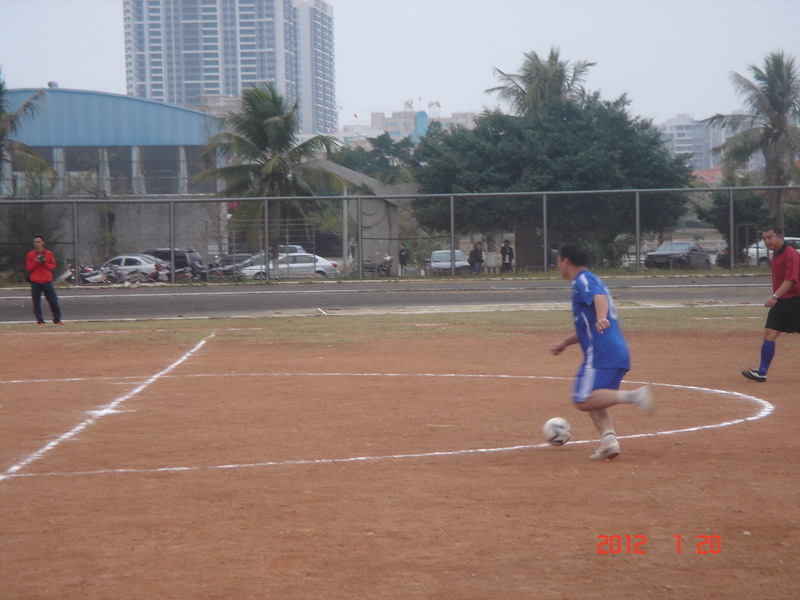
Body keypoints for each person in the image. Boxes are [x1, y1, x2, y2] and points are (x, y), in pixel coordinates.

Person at [549, 243, 652, 460]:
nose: (557, 266)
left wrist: (602, 317)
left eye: (558, 261)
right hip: (614, 351)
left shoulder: (583, 279)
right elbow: (587, 328)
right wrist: (565, 343)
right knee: (597, 399)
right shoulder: (589, 280)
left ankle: (633, 396)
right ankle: (609, 441)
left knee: (583, 399)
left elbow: (599, 298)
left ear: (565, 261)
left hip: (601, 352)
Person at [741, 225, 800, 382]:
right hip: (782, 302)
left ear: (780, 237)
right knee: (769, 333)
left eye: (770, 237)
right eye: (764, 238)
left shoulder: (790, 254)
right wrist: (778, 298)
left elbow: (790, 280)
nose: (767, 241)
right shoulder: (776, 255)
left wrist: (775, 296)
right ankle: (762, 372)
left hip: (796, 301)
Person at [26, 234, 63, 327]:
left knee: (53, 301)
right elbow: (29, 267)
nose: (37, 244)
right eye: (35, 242)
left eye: (38, 242)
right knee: (36, 303)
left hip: (47, 280)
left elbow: (52, 266)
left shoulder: (48, 253)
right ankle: (40, 321)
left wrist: (44, 262)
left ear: (43, 242)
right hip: (35, 281)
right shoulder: (31, 254)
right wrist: (36, 261)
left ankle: (57, 320)